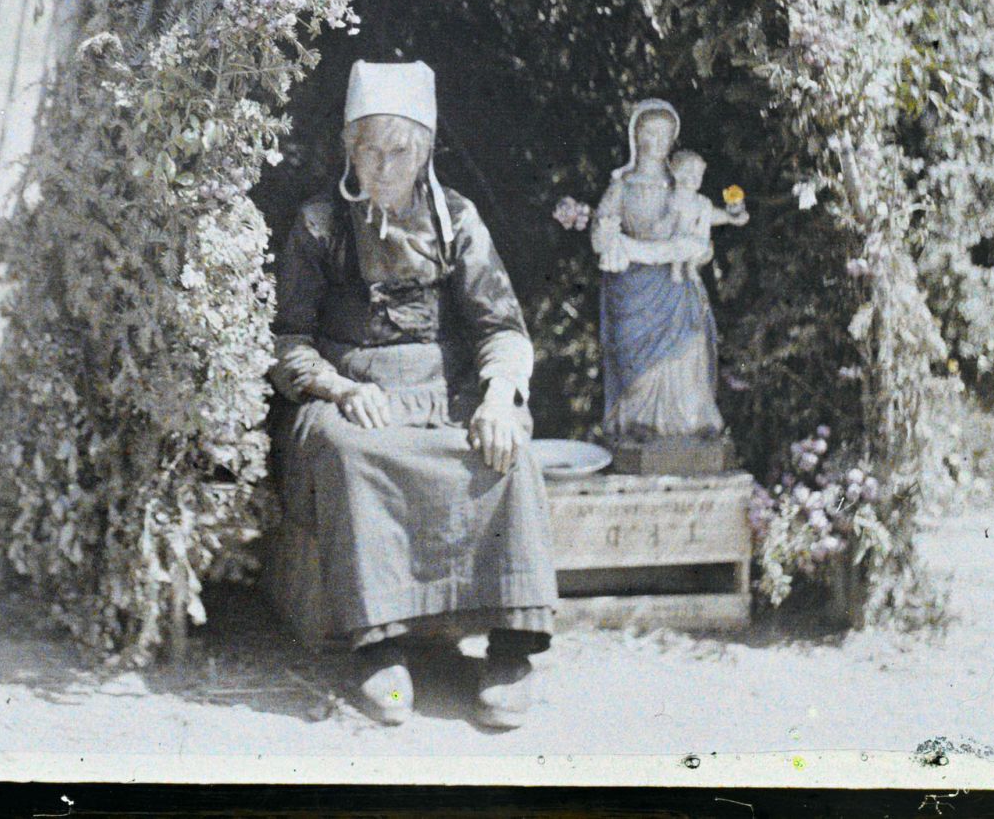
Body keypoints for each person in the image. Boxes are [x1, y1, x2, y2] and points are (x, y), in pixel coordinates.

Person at [265, 60, 556, 729]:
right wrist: (337, 388)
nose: (385, 169)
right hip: (349, 394)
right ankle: (380, 650)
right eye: (371, 152)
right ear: (349, 151)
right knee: (348, 454)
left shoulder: (456, 221)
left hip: (445, 391)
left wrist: (497, 398)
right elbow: (288, 342)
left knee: (507, 454)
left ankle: (512, 651)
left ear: (423, 152)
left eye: (400, 152)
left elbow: (501, 325)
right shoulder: (319, 225)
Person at [589, 101, 725, 441]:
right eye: (649, 132)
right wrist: (605, 235)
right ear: (636, 136)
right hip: (634, 286)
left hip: (676, 286)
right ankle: (638, 424)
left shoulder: (685, 185)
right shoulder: (622, 186)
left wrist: (701, 252)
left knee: (685, 350)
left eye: (664, 134)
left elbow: (701, 235)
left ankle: (688, 423)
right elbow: (599, 236)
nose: (656, 140)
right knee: (636, 360)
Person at [665, 149, 748, 284]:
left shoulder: (702, 202)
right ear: (677, 174)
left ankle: (691, 267)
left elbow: (711, 215)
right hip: (676, 241)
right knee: (679, 245)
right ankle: (676, 268)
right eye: (690, 173)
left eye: (699, 174)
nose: (695, 177)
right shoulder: (673, 198)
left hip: (695, 241)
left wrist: (731, 218)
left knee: (703, 247)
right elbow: (667, 218)